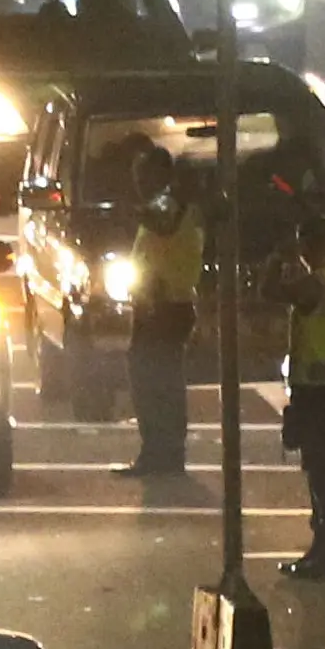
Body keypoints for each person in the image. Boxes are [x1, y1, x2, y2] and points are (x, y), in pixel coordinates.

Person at [268, 211, 325, 579]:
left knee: (321, 470)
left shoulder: (320, 283)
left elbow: (271, 292)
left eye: (304, 243)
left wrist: (278, 258)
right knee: (322, 469)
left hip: (317, 389)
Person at [110, 141, 204, 478]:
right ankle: (159, 452)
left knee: (158, 384)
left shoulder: (170, 204)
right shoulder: (165, 203)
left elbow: (161, 223)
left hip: (166, 308)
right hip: (156, 307)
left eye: (143, 173)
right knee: (153, 382)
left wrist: (132, 211)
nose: (138, 180)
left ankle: (163, 454)